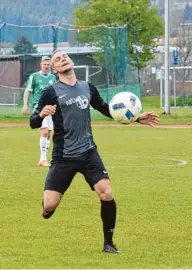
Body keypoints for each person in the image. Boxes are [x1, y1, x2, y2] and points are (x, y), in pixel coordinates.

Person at [30, 50, 160, 253]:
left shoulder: (87, 87)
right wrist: (41, 115)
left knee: (106, 193)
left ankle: (108, 243)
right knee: (49, 205)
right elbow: (32, 121)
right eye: (57, 59)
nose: (62, 59)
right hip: (63, 156)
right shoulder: (50, 92)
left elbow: (106, 108)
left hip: (88, 152)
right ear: (54, 69)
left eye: (64, 56)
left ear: (71, 61)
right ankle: (46, 208)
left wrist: (135, 117)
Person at [22, 56, 57, 167]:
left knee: (49, 133)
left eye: (48, 64)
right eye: (44, 64)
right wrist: (25, 105)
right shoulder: (34, 76)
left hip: (51, 107)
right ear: (41, 64)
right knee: (45, 131)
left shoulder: (53, 77)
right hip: (40, 106)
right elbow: (28, 91)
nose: (46, 66)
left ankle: (45, 158)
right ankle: (42, 159)